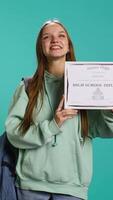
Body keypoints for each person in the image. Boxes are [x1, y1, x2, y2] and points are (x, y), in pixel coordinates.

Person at [5, 19, 113, 200]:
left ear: (69, 46)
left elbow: (105, 129)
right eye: (47, 37)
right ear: (41, 48)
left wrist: (110, 111)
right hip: (30, 187)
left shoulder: (86, 86)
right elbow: (13, 133)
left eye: (61, 35)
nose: (55, 40)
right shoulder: (27, 88)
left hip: (72, 189)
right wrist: (52, 125)